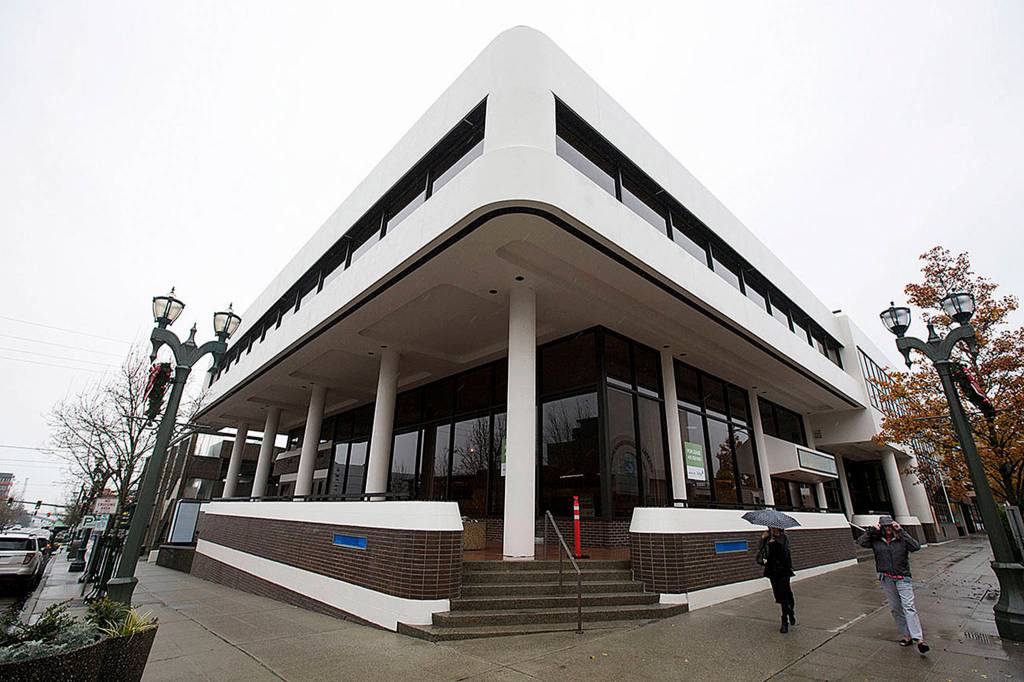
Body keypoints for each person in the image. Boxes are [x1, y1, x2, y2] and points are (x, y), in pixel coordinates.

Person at [857, 515, 930, 653]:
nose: (887, 529)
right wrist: (871, 531)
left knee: (908, 606)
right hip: (886, 577)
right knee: (895, 607)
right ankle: (906, 635)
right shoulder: (876, 540)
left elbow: (915, 547)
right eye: (884, 527)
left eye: (889, 526)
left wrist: (902, 531)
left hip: (903, 577)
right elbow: (861, 542)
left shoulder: (901, 538)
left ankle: (919, 639)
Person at [757, 526, 795, 633]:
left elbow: (784, 552)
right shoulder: (767, 538)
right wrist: (762, 538)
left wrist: (776, 541)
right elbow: (760, 550)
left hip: (783, 570)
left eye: (775, 528)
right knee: (778, 595)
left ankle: (785, 620)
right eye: (771, 528)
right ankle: (789, 611)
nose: (773, 529)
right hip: (772, 570)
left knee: (785, 595)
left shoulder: (784, 538)